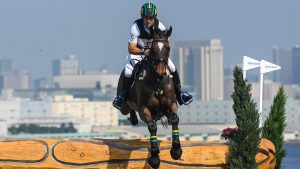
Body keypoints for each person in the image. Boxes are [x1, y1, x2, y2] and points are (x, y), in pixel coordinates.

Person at [113, 2, 192, 110]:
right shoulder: (135, 27)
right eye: (146, 18)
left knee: (172, 67)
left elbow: (166, 44)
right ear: (142, 17)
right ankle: (123, 97)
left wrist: (159, 54)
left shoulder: (160, 26)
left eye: (151, 18)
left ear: (154, 17)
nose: (148, 20)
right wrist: (143, 51)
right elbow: (131, 48)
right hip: (138, 54)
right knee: (128, 71)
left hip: (155, 56)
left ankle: (180, 94)